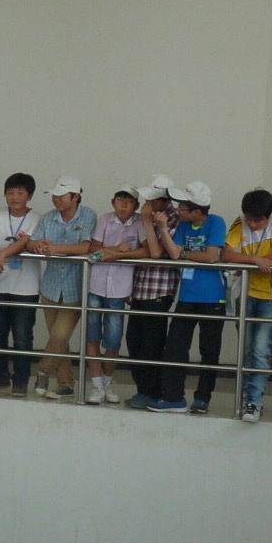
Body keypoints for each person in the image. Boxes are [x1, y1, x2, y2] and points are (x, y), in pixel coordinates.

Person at [150, 183, 228, 415]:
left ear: (198, 210)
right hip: (186, 297)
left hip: (213, 298)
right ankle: (173, 397)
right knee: (175, 347)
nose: (179, 211)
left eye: (184, 208)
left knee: (209, 351)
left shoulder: (216, 222)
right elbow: (174, 254)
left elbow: (212, 256)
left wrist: (185, 253)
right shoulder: (183, 226)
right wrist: (163, 229)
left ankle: (202, 398)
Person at [224, 189, 272, 421]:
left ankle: (254, 402)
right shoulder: (240, 223)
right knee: (246, 349)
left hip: (271, 297)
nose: (253, 225)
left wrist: (259, 261)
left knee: (261, 349)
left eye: (258, 220)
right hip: (245, 293)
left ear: (268, 216)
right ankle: (246, 399)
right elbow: (227, 254)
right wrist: (255, 260)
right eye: (249, 219)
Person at [29, 177, 97, 401]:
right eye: (54, 196)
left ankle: (42, 372)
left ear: (76, 197)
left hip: (75, 287)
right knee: (59, 340)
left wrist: (56, 248)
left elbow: (85, 247)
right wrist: (37, 245)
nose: (56, 200)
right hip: (50, 287)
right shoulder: (48, 217)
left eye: (62, 196)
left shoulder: (87, 215)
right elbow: (32, 242)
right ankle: (66, 383)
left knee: (59, 335)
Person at [86, 184, 153, 405]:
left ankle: (107, 383)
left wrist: (116, 254)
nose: (123, 205)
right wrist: (117, 250)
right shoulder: (105, 219)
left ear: (136, 205)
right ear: (112, 202)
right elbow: (94, 250)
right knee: (92, 336)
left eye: (129, 201)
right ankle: (96, 385)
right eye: (120, 200)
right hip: (96, 285)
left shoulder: (140, 222)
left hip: (120, 288)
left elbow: (147, 251)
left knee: (113, 340)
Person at [0, 172, 40, 396]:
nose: (14, 197)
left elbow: (24, 242)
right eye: (10, 193)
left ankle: (21, 380)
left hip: (26, 288)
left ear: (29, 196)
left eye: (20, 193)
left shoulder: (36, 218)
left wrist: (2, 253)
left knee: (22, 336)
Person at [124, 176, 182, 412]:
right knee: (133, 341)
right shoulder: (145, 216)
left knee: (152, 344)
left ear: (164, 199)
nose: (146, 202)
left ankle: (151, 391)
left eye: (151, 199)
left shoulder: (174, 218)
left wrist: (149, 222)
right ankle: (143, 389)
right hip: (140, 288)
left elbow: (156, 253)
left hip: (159, 289)